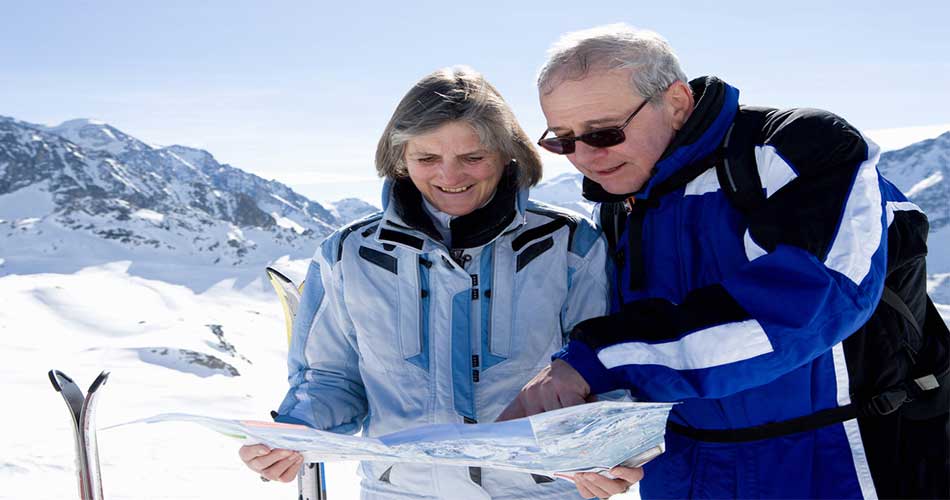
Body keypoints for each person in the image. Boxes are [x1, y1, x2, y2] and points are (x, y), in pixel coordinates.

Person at [500, 24, 948, 499]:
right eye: (563, 141)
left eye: (606, 132)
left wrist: (596, 363)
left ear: (675, 102)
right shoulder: (619, 204)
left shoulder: (797, 150)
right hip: (680, 472)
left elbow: (800, 310)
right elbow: (643, 340)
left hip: (836, 461)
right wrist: (600, 441)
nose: (585, 158)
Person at [239, 66, 615, 499]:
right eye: (427, 159)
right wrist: (296, 431)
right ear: (399, 160)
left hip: (541, 491)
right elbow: (331, 378)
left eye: (473, 157)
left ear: (508, 153)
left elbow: (604, 370)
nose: (450, 177)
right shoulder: (349, 255)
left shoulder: (568, 245)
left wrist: (606, 454)